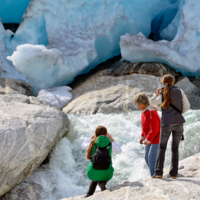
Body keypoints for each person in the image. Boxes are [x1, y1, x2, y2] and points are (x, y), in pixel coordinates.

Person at [150, 74, 190, 179]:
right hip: (179, 123)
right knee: (175, 149)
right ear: (173, 82)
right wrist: (178, 114)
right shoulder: (180, 91)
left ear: (163, 82)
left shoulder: (162, 93)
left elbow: (152, 103)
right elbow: (187, 106)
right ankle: (173, 174)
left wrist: (156, 94)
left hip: (166, 124)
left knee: (162, 148)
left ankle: (158, 172)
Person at [81, 126, 122, 198]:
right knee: (104, 172)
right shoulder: (110, 143)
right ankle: (102, 183)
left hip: (92, 173)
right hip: (107, 174)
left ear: (95, 134)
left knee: (95, 177)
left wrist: (91, 137)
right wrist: (112, 139)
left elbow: (83, 145)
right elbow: (119, 151)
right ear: (106, 134)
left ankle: (89, 194)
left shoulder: (92, 142)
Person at [134, 93, 161, 177]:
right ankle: (155, 172)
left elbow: (155, 128)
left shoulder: (151, 112)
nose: (137, 106)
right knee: (146, 157)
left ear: (142, 104)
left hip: (156, 138)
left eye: (137, 104)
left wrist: (148, 139)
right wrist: (142, 137)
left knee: (151, 157)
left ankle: (154, 174)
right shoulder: (144, 112)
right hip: (149, 138)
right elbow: (145, 127)